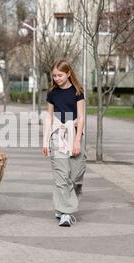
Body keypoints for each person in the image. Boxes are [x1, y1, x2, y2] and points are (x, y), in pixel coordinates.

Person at [42, 59, 86, 227]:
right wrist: (45, 141)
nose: (57, 79)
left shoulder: (77, 92)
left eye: (60, 75)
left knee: (75, 176)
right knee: (62, 176)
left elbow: (81, 117)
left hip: (74, 134)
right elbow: (49, 117)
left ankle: (62, 207)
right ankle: (66, 213)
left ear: (68, 73)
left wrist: (77, 141)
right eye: (54, 76)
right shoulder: (52, 93)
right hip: (57, 135)